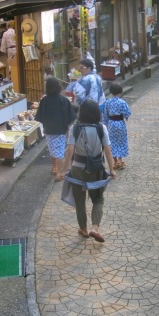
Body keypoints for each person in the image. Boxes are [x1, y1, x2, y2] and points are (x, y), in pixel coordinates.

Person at [62, 99, 117, 242]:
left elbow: (69, 151)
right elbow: (108, 151)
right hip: (96, 169)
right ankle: (95, 228)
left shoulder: (75, 128)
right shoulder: (101, 128)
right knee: (98, 199)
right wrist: (112, 170)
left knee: (80, 201)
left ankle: (84, 229)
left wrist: (63, 170)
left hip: (77, 169)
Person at [35, 77, 77, 181]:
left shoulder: (44, 100)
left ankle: (54, 167)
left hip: (48, 129)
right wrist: (67, 128)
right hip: (61, 129)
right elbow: (69, 116)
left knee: (52, 150)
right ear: (58, 86)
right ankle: (59, 173)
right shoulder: (63, 100)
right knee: (59, 151)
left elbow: (40, 116)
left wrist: (44, 126)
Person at [102, 83, 132, 169]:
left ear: (111, 91)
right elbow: (127, 113)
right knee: (121, 141)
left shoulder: (107, 102)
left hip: (111, 123)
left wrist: (105, 124)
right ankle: (120, 160)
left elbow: (105, 114)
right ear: (120, 92)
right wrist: (124, 117)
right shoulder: (122, 102)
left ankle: (115, 162)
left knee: (112, 141)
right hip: (120, 123)